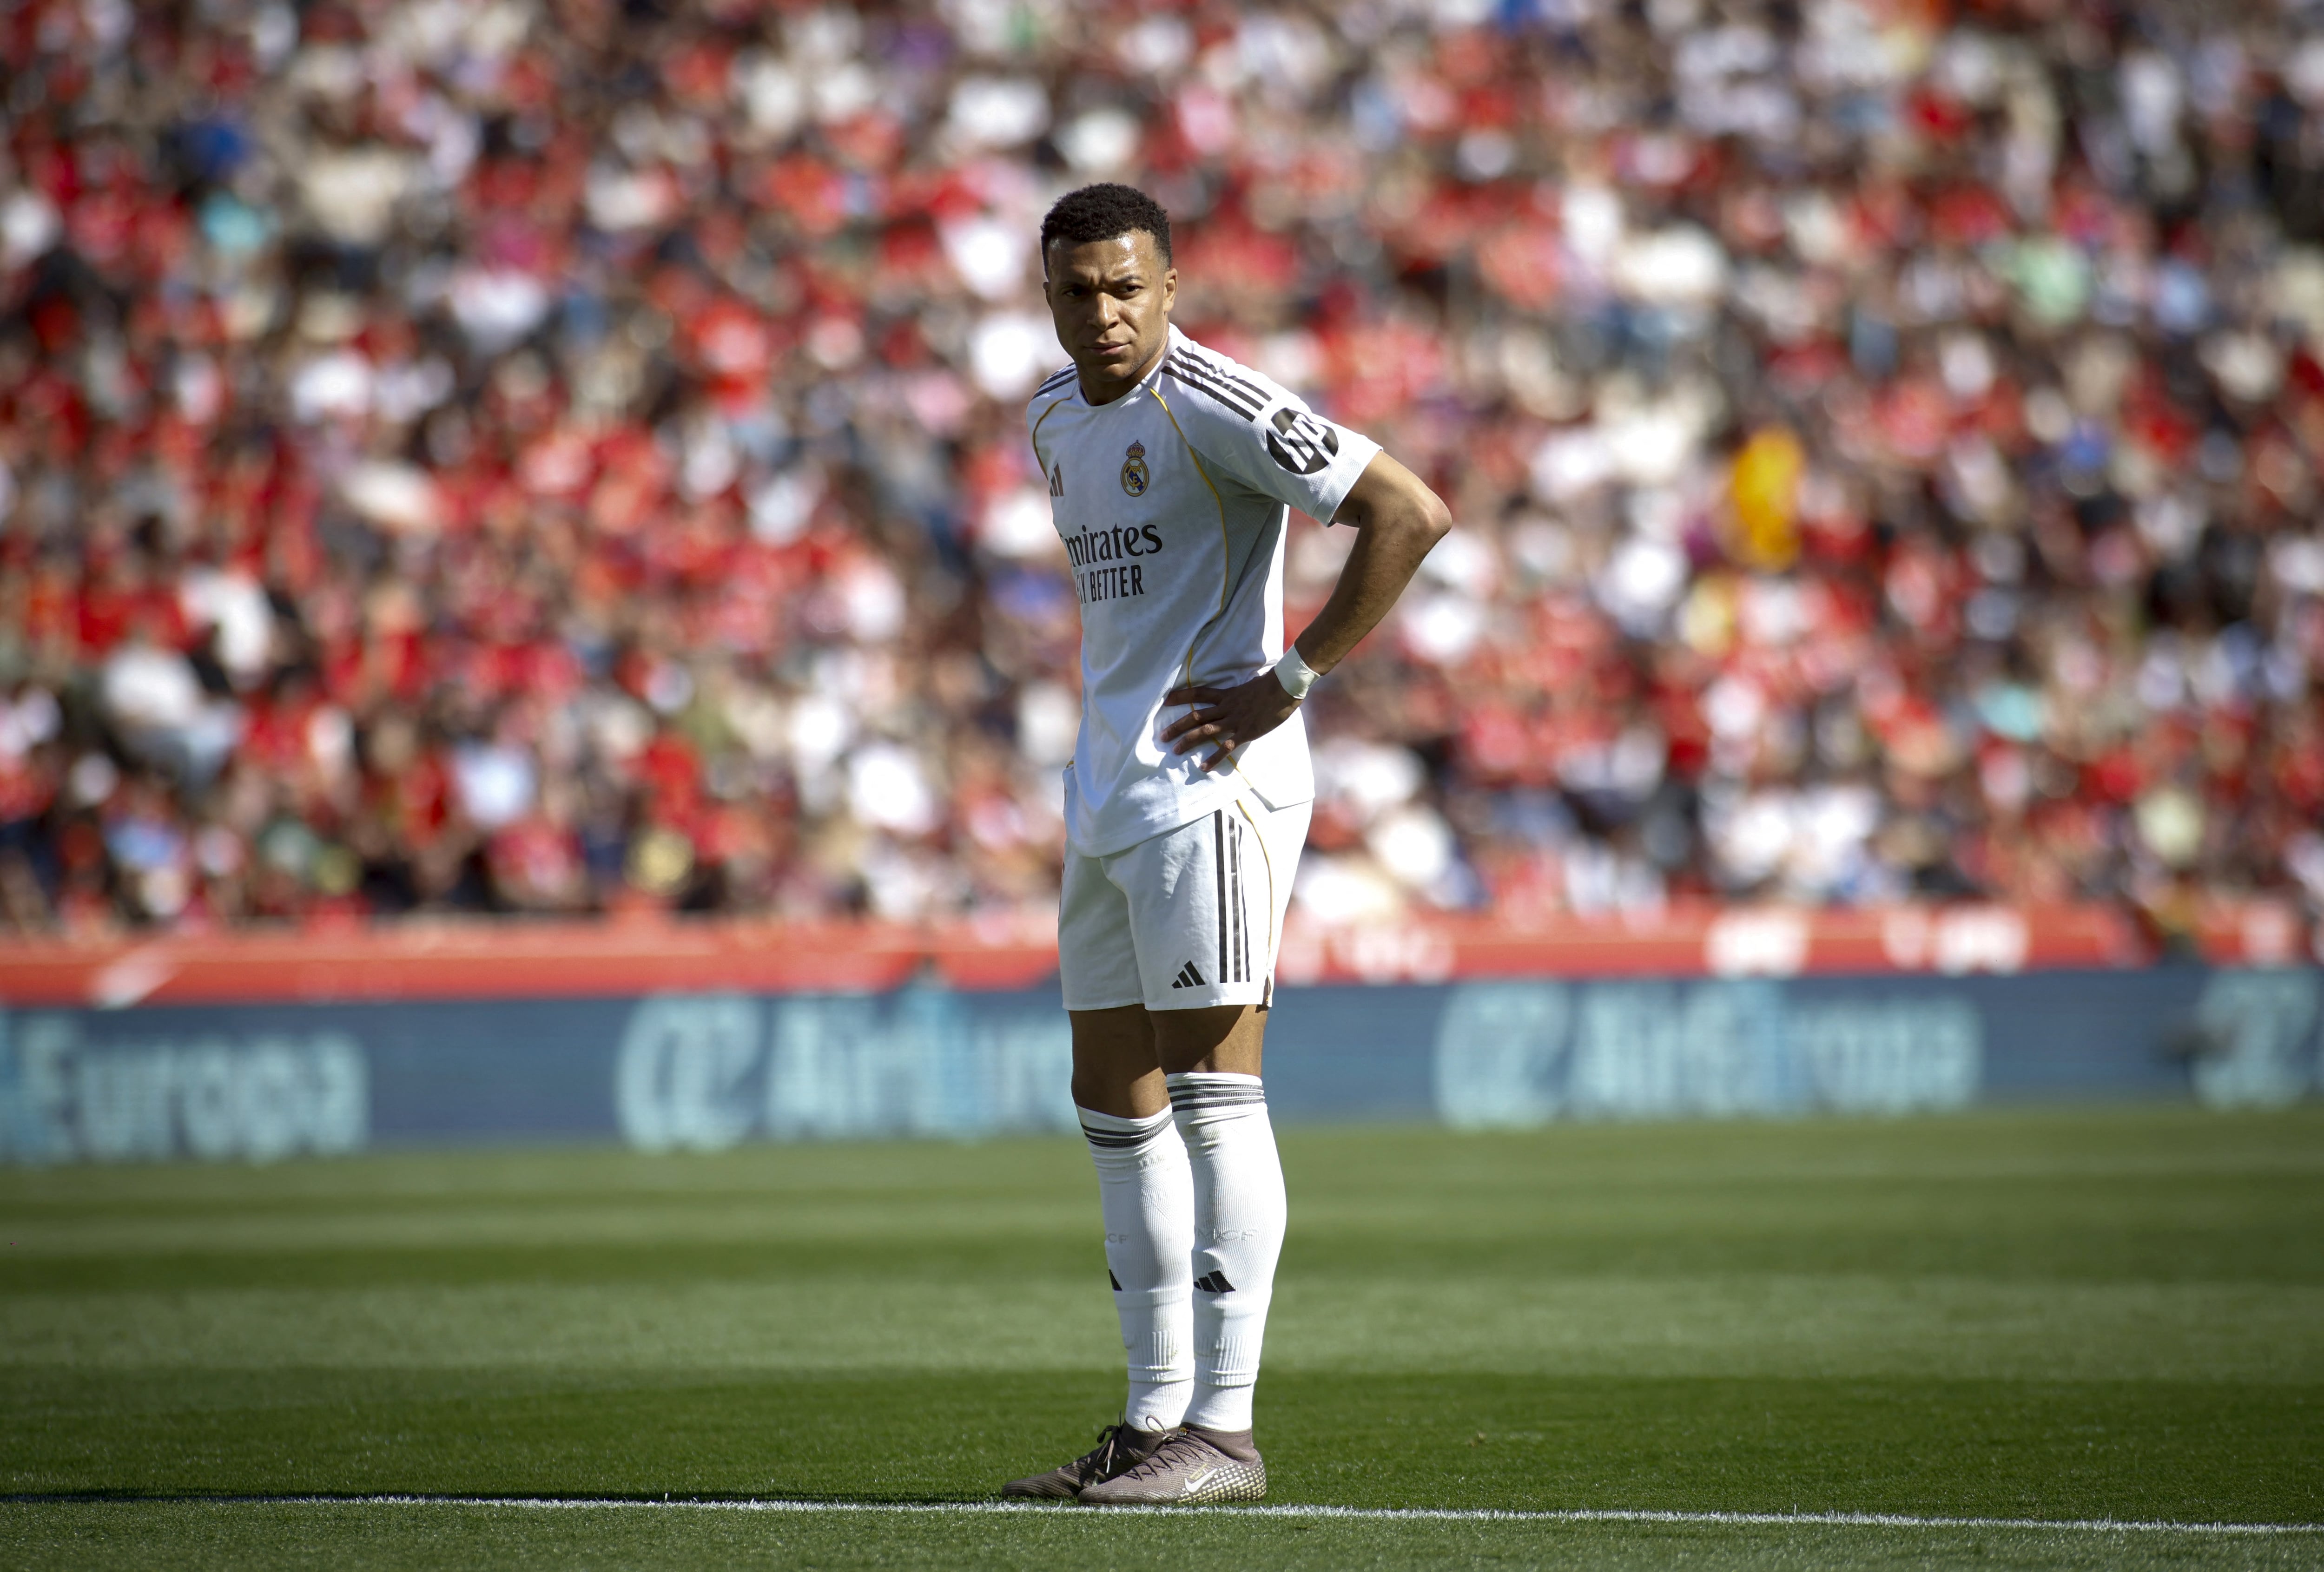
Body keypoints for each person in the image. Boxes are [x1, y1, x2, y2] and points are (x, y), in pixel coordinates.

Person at [1001, 184, 1451, 1505]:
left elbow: (1408, 512)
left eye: (1128, 286)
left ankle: (1227, 1430)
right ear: (1049, 298)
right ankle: (1152, 1426)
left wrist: (1294, 675)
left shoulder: (1215, 400)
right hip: (1107, 791)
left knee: (1214, 1098)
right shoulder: (1047, 420)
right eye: (1080, 291)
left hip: (1216, 788)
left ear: (1172, 285)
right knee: (1113, 1108)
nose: (1106, 312)